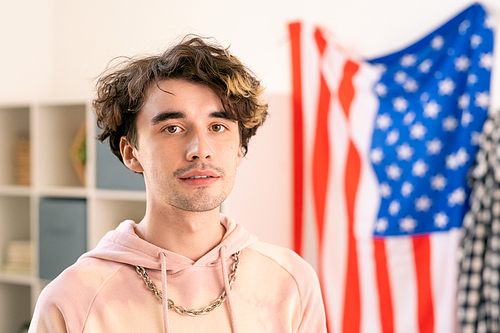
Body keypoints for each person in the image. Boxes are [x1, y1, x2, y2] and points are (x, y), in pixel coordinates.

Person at [29, 35, 327, 333]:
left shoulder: (291, 281)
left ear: (238, 150)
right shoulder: (71, 300)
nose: (200, 148)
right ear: (131, 154)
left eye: (218, 126)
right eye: (172, 128)